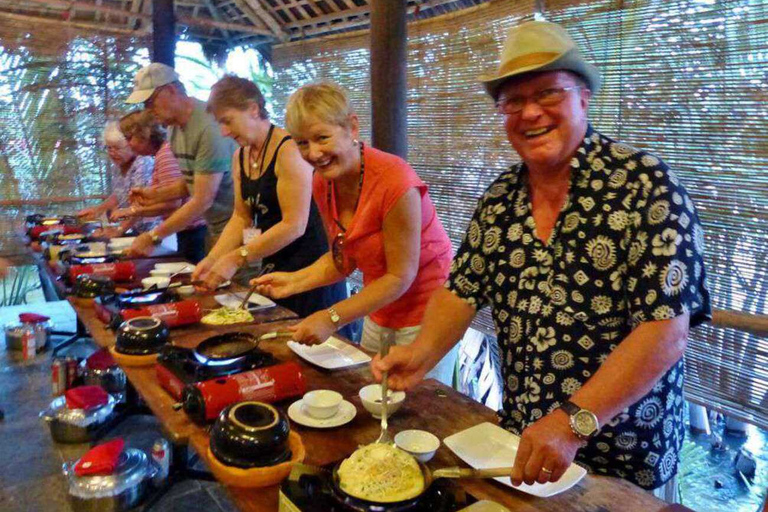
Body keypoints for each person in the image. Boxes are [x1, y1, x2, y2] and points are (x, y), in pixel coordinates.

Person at [372, 20, 711, 502]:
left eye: (548, 93)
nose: (530, 112)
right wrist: (422, 352)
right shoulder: (501, 197)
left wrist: (572, 423)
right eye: (513, 100)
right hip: (526, 445)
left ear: (584, 98)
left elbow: (665, 332)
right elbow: (462, 289)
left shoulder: (645, 185)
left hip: (622, 459)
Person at [253, 81, 458, 385]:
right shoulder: (324, 182)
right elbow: (342, 258)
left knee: (418, 412)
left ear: (351, 127)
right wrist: (293, 282)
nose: (313, 153)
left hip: (427, 311)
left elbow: (401, 275)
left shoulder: (395, 181)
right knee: (373, 393)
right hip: (380, 304)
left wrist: (332, 317)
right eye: (302, 143)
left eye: (322, 137)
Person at [192, 75, 347, 317]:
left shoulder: (288, 150)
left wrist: (236, 258)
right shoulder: (240, 156)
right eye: (219, 124)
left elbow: (294, 224)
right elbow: (240, 217)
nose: (223, 132)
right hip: (274, 265)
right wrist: (212, 260)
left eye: (228, 121)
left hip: (310, 268)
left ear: (253, 109)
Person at [124, 63, 235, 257]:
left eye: (150, 102)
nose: (148, 110)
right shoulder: (173, 128)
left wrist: (153, 236)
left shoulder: (208, 128)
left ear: (170, 90)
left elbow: (203, 200)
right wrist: (155, 195)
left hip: (237, 227)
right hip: (215, 228)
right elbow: (191, 182)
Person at [115, 110, 208, 263]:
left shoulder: (165, 155)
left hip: (194, 232)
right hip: (187, 232)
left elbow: (173, 204)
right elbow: (170, 195)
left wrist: (134, 211)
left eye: (129, 138)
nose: (128, 144)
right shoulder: (161, 154)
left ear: (144, 134)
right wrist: (145, 202)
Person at [77, 122, 153, 237]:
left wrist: (118, 230)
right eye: (109, 148)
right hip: (134, 230)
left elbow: (140, 204)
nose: (112, 153)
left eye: (117, 148)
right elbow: (118, 196)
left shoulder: (143, 163)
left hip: (152, 231)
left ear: (131, 145)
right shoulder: (119, 165)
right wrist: (97, 210)